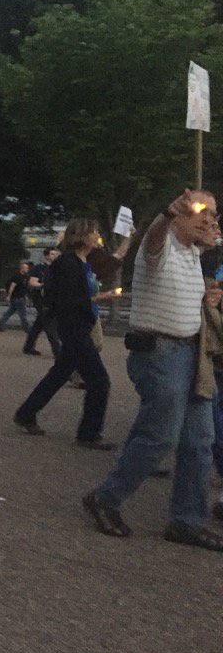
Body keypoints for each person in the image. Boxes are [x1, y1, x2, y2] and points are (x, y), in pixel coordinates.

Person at [84, 189, 223, 551]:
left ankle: (186, 521)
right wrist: (166, 213)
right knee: (160, 436)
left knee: (200, 442)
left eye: (214, 213)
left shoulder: (193, 254)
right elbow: (155, 238)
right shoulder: (159, 247)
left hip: (191, 355)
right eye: (202, 211)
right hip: (161, 354)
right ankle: (105, 498)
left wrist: (207, 298)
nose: (210, 218)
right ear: (180, 215)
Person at [12, 219, 117, 450]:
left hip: (78, 326)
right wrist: (99, 299)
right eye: (94, 232)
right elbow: (67, 300)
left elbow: (110, 264)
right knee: (99, 381)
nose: (97, 236)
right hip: (74, 327)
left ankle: (26, 413)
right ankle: (88, 434)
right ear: (82, 236)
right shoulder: (68, 263)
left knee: (59, 374)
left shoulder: (82, 262)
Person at [22, 248, 62, 357]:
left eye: (56, 254)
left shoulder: (56, 269)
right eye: (52, 254)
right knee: (50, 323)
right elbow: (32, 282)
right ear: (46, 256)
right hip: (41, 299)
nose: (55, 256)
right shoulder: (39, 268)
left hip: (51, 298)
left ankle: (28, 346)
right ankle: (57, 350)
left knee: (39, 324)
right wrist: (43, 285)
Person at [0, 262, 32, 333]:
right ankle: (26, 328)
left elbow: (24, 288)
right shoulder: (17, 277)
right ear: (22, 268)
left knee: (9, 312)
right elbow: (12, 286)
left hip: (17, 297)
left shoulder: (24, 277)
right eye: (26, 268)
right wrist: (9, 296)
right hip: (18, 297)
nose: (27, 269)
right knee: (23, 314)